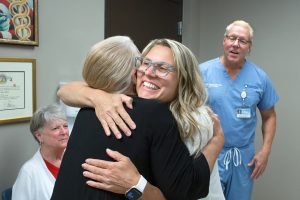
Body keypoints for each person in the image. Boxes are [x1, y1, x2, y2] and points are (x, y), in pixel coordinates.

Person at [52, 36, 224, 200]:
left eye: (163, 68)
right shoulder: (106, 107)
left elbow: (187, 192)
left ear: (183, 79)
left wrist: (136, 184)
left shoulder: (194, 123)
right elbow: (65, 91)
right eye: (145, 63)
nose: (149, 72)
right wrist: (97, 97)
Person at [199, 20, 279, 200]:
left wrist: (265, 151)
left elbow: (270, 116)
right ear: (224, 41)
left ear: (249, 47)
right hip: (209, 151)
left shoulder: (259, 78)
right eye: (232, 38)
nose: (236, 44)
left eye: (242, 41)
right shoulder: (202, 72)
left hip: (243, 158)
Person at [12, 104, 69, 200]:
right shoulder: (29, 172)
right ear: (39, 136)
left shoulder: (75, 159)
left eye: (65, 126)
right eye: (56, 128)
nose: (64, 132)